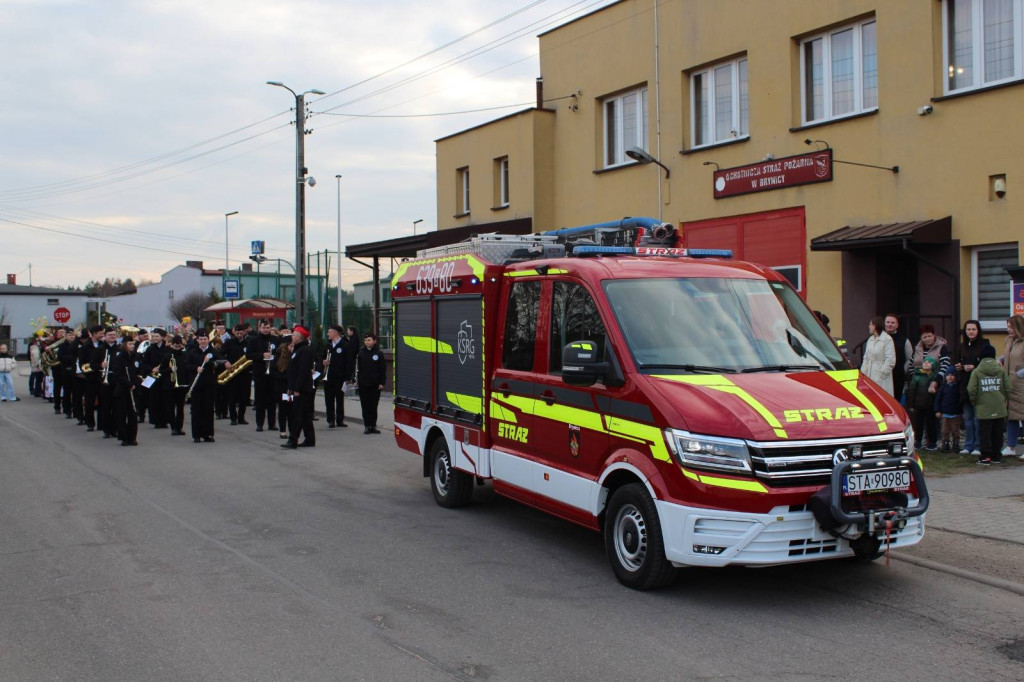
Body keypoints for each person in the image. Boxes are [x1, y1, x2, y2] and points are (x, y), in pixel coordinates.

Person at [968, 344, 1011, 465]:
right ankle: (996, 456)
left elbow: (971, 389)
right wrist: (1003, 399)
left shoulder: (977, 371)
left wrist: (975, 401)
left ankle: (985, 457)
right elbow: (1008, 388)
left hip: (983, 407)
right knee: (998, 432)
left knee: (984, 433)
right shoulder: (1001, 370)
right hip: (999, 406)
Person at [955, 320, 989, 456]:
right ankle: (968, 445)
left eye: (973, 329)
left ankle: (978, 446)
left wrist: (974, 367)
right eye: (968, 329)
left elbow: (987, 364)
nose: (971, 332)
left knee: (977, 418)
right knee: (968, 418)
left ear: (978, 330)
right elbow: (957, 362)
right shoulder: (962, 346)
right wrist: (959, 367)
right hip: (965, 385)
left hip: (979, 385)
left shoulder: (985, 345)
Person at [184, 329, 225, 443]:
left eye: (205, 339)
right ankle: (196, 435)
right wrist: (196, 368)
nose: (203, 341)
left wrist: (210, 362)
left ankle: (208, 434)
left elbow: (220, 363)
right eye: (201, 339)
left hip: (209, 384)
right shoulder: (192, 352)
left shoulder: (213, 351)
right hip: (196, 384)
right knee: (196, 409)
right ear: (197, 340)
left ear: (208, 340)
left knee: (208, 409)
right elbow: (186, 365)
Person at [283, 325, 315, 448]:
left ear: (300, 337)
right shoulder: (297, 350)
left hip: (302, 389)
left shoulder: (304, 351)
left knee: (297, 415)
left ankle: (293, 440)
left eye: (294, 335)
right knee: (306, 415)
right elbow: (293, 371)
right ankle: (310, 439)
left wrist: (297, 388)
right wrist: (290, 387)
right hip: (297, 387)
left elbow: (303, 371)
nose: (292, 337)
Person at [249, 320, 279, 433]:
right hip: (260, 373)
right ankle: (260, 424)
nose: (266, 330)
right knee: (260, 400)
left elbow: (280, 353)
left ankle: (272, 424)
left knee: (272, 400)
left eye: (268, 328)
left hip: (272, 373)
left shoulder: (276, 339)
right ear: (259, 328)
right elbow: (248, 355)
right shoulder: (254, 340)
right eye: (264, 328)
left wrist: (273, 356)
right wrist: (262, 355)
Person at [108, 338, 139, 446]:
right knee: (121, 414)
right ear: (125, 345)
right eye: (130, 344)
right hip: (122, 390)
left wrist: (136, 383)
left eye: (133, 344)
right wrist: (128, 384)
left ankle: (132, 437)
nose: (132, 346)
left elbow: (138, 372)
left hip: (134, 389)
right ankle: (124, 437)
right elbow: (118, 374)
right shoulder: (120, 357)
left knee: (133, 415)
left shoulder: (136, 356)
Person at [1002, 315, 1024, 458]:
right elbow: (1008, 356)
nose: (1008, 329)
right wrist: (999, 359)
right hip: (1010, 385)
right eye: (1007, 326)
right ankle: (1011, 447)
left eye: (1011, 327)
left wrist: (1020, 374)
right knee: (1011, 416)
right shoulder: (1009, 340)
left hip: (1021, 385)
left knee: (1023, 415)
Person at [906, 356, 940, 450]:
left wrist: (935, 392)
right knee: (918, 424)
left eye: (929, 362)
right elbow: (912, 391)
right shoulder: (917, 376)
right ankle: (917, 441)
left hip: (931, 405)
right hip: (919, 404)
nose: (926, 363)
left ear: (933, 365)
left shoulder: (935, 377)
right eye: (924, 361)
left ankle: (932, 442)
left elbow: (939, 391)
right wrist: (911, 405)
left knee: (931, 424)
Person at [357, 332, 387, 434]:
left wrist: (382, 382)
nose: (367, 342)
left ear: (374, 341)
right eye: (365, 340)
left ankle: (373, 425)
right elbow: (358, 368)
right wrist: (357, 380)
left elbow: (382, 369)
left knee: (373, 406)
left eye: (369, 340)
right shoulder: (361, 353)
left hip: (375, 384)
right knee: (365, 405)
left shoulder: (379, 353)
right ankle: (367, 425)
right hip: (363, 383)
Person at [322, 324, 350, 428]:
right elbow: (321, 357)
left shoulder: (345, 345)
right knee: (329, 399)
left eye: (329, 332)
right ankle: (330, 420)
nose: (328, 334)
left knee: (339, 398)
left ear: (336, 333)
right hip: (329, 376)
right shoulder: (328, 345)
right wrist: (323, 362)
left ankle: (340, 419)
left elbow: (348, 362)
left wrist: (347, 377)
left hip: (340, 376)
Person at [860, 316, 896, 395]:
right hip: (869, 375)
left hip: (882, 377)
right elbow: (866, 358)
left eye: (870, 325)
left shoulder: (887, 339)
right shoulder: (870, 340)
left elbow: (890, 360)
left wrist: (880, 375)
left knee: (882, 395)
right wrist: (863, 373)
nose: (869, 326)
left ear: (875, 326)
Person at [161, 335, 188, 436]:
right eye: (175, 346)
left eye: (179, 346)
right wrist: (170, 369)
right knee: (171, 407)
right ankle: (173, 428)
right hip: (170, 385)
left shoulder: (184, 355)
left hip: (181, 384)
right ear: (172, 345)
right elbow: (161, 370)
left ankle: (179, 427)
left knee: (180, 408)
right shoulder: (167, 355)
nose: (177, 348)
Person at [884, 314, 914, 401]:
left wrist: (903, 370)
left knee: (895, 401)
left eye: (892, 323)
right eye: (888, 322)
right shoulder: (878, 339)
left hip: (897, 378)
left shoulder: (904, 340)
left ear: (897, 325)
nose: (890, 324)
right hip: (882, 377)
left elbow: (909, 359)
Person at [933, 371, 962, 452]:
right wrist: (937, 410)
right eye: (948, 375)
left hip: (955, 414)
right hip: (945, 414)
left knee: (955, 430)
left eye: (952, 375)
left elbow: (960, 400)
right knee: (944, 431)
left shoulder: (958, 387)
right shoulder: (943, 387)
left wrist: (961, 411)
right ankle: (945, 444)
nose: (950, 377)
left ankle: (956, 444)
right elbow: (938, 399)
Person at [273, 338, 292, 440]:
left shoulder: (295, 356)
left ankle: (292, 430)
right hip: (283, 388)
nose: (292, 348)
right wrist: (287, 377)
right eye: (291, 346)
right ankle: (283, 431)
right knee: (283, 409)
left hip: (292, 387)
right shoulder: (279, 357)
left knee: (292, 410)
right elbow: (274, 372)